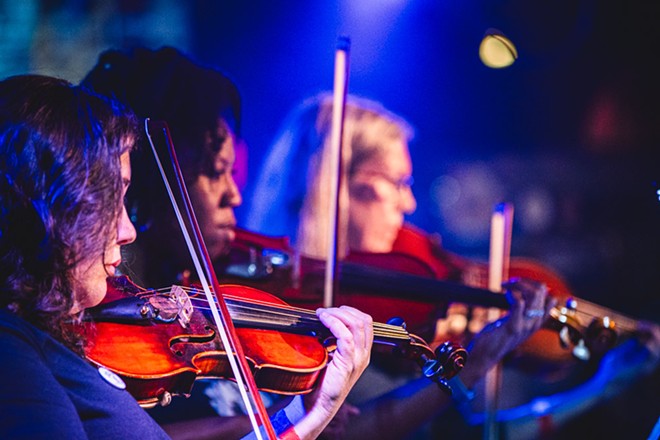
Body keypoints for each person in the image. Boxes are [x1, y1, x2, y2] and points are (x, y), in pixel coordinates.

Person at [246, 94, 660, 439]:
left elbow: (481, 435)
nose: (409, 205)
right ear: (337, 182)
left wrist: (602, 389)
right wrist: (474, 364)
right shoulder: (273, 316)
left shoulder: (410, 307)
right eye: (399, 182)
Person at [0, 74, 373, 440]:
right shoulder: (12, 354)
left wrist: (309, 414)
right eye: (109, 199)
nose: (126, 230)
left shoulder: (55, 345)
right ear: (50, 210)